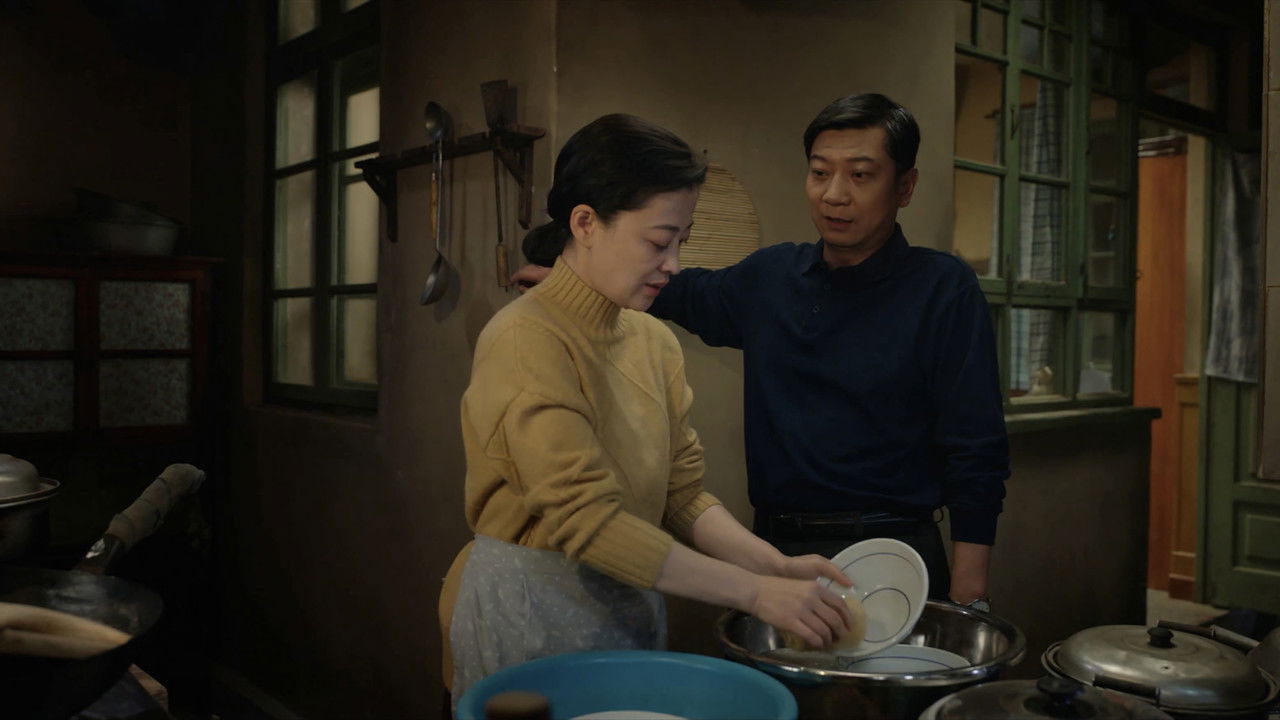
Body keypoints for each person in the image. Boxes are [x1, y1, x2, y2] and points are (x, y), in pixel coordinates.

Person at [513, 94, 1009, 610]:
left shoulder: (941, 288)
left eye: (861, 175)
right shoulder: (772, 277)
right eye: (820, 173)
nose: (834, 195)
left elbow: (977, 448)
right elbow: (677, 289)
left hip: (894, 551)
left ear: (904, 186)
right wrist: (574, 277)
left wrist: (967, 596)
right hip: (775, 549)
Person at [440, 113, 855, 706]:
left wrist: (774, 568)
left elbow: (681, 497)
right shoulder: (526, 339)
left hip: (626, 601)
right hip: (528, 610)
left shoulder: (651, 340)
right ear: (585, 223)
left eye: (681, 242)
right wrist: (753, 593)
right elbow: (587, 522)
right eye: (659, 242)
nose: (674, 265)